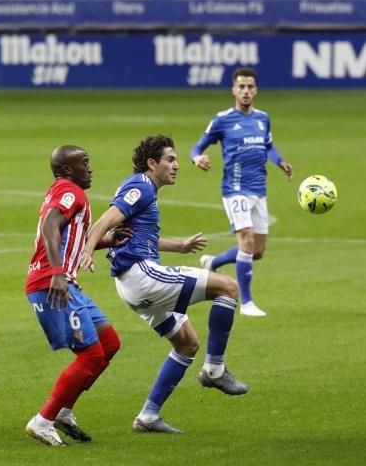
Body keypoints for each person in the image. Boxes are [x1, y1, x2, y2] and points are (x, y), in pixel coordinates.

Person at [80, 135, 249, 435]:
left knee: (187, 344)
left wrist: (179, 246)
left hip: (130, 284)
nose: (176, 166)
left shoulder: (141, 189)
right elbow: (103, 222)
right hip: (143, 276)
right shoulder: (141, 187)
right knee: (228, 288)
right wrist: (86, 250)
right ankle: (215, 370)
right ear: (151, 163)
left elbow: (137, 236)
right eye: (170, 160)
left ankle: (148, 417)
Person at [24, 145, 130, 447]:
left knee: (109, 344)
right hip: (52, 282)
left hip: (66, 282)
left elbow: (70, 236)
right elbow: (50, 225)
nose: (90, 168)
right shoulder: (71, 192)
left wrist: (107, 240)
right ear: (68, 170)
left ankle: (63, 411)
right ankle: (42, 421)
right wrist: (57, 271)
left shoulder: (63, 190)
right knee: (91, 355)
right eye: (84, 163)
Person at [190, 67, 293, 317]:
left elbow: (268, 145)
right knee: (246, 241)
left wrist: (280, 162)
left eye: (250, 87)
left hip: (260, 190)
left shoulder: (262, 118)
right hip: (235, 190)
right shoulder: (222, 119)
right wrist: (198, 158)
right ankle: (245, 303)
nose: (246, 91)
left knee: (256, 251)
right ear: (233, 89)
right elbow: (197, 147)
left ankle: (213, 263)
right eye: (241, 87)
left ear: (256, 90)